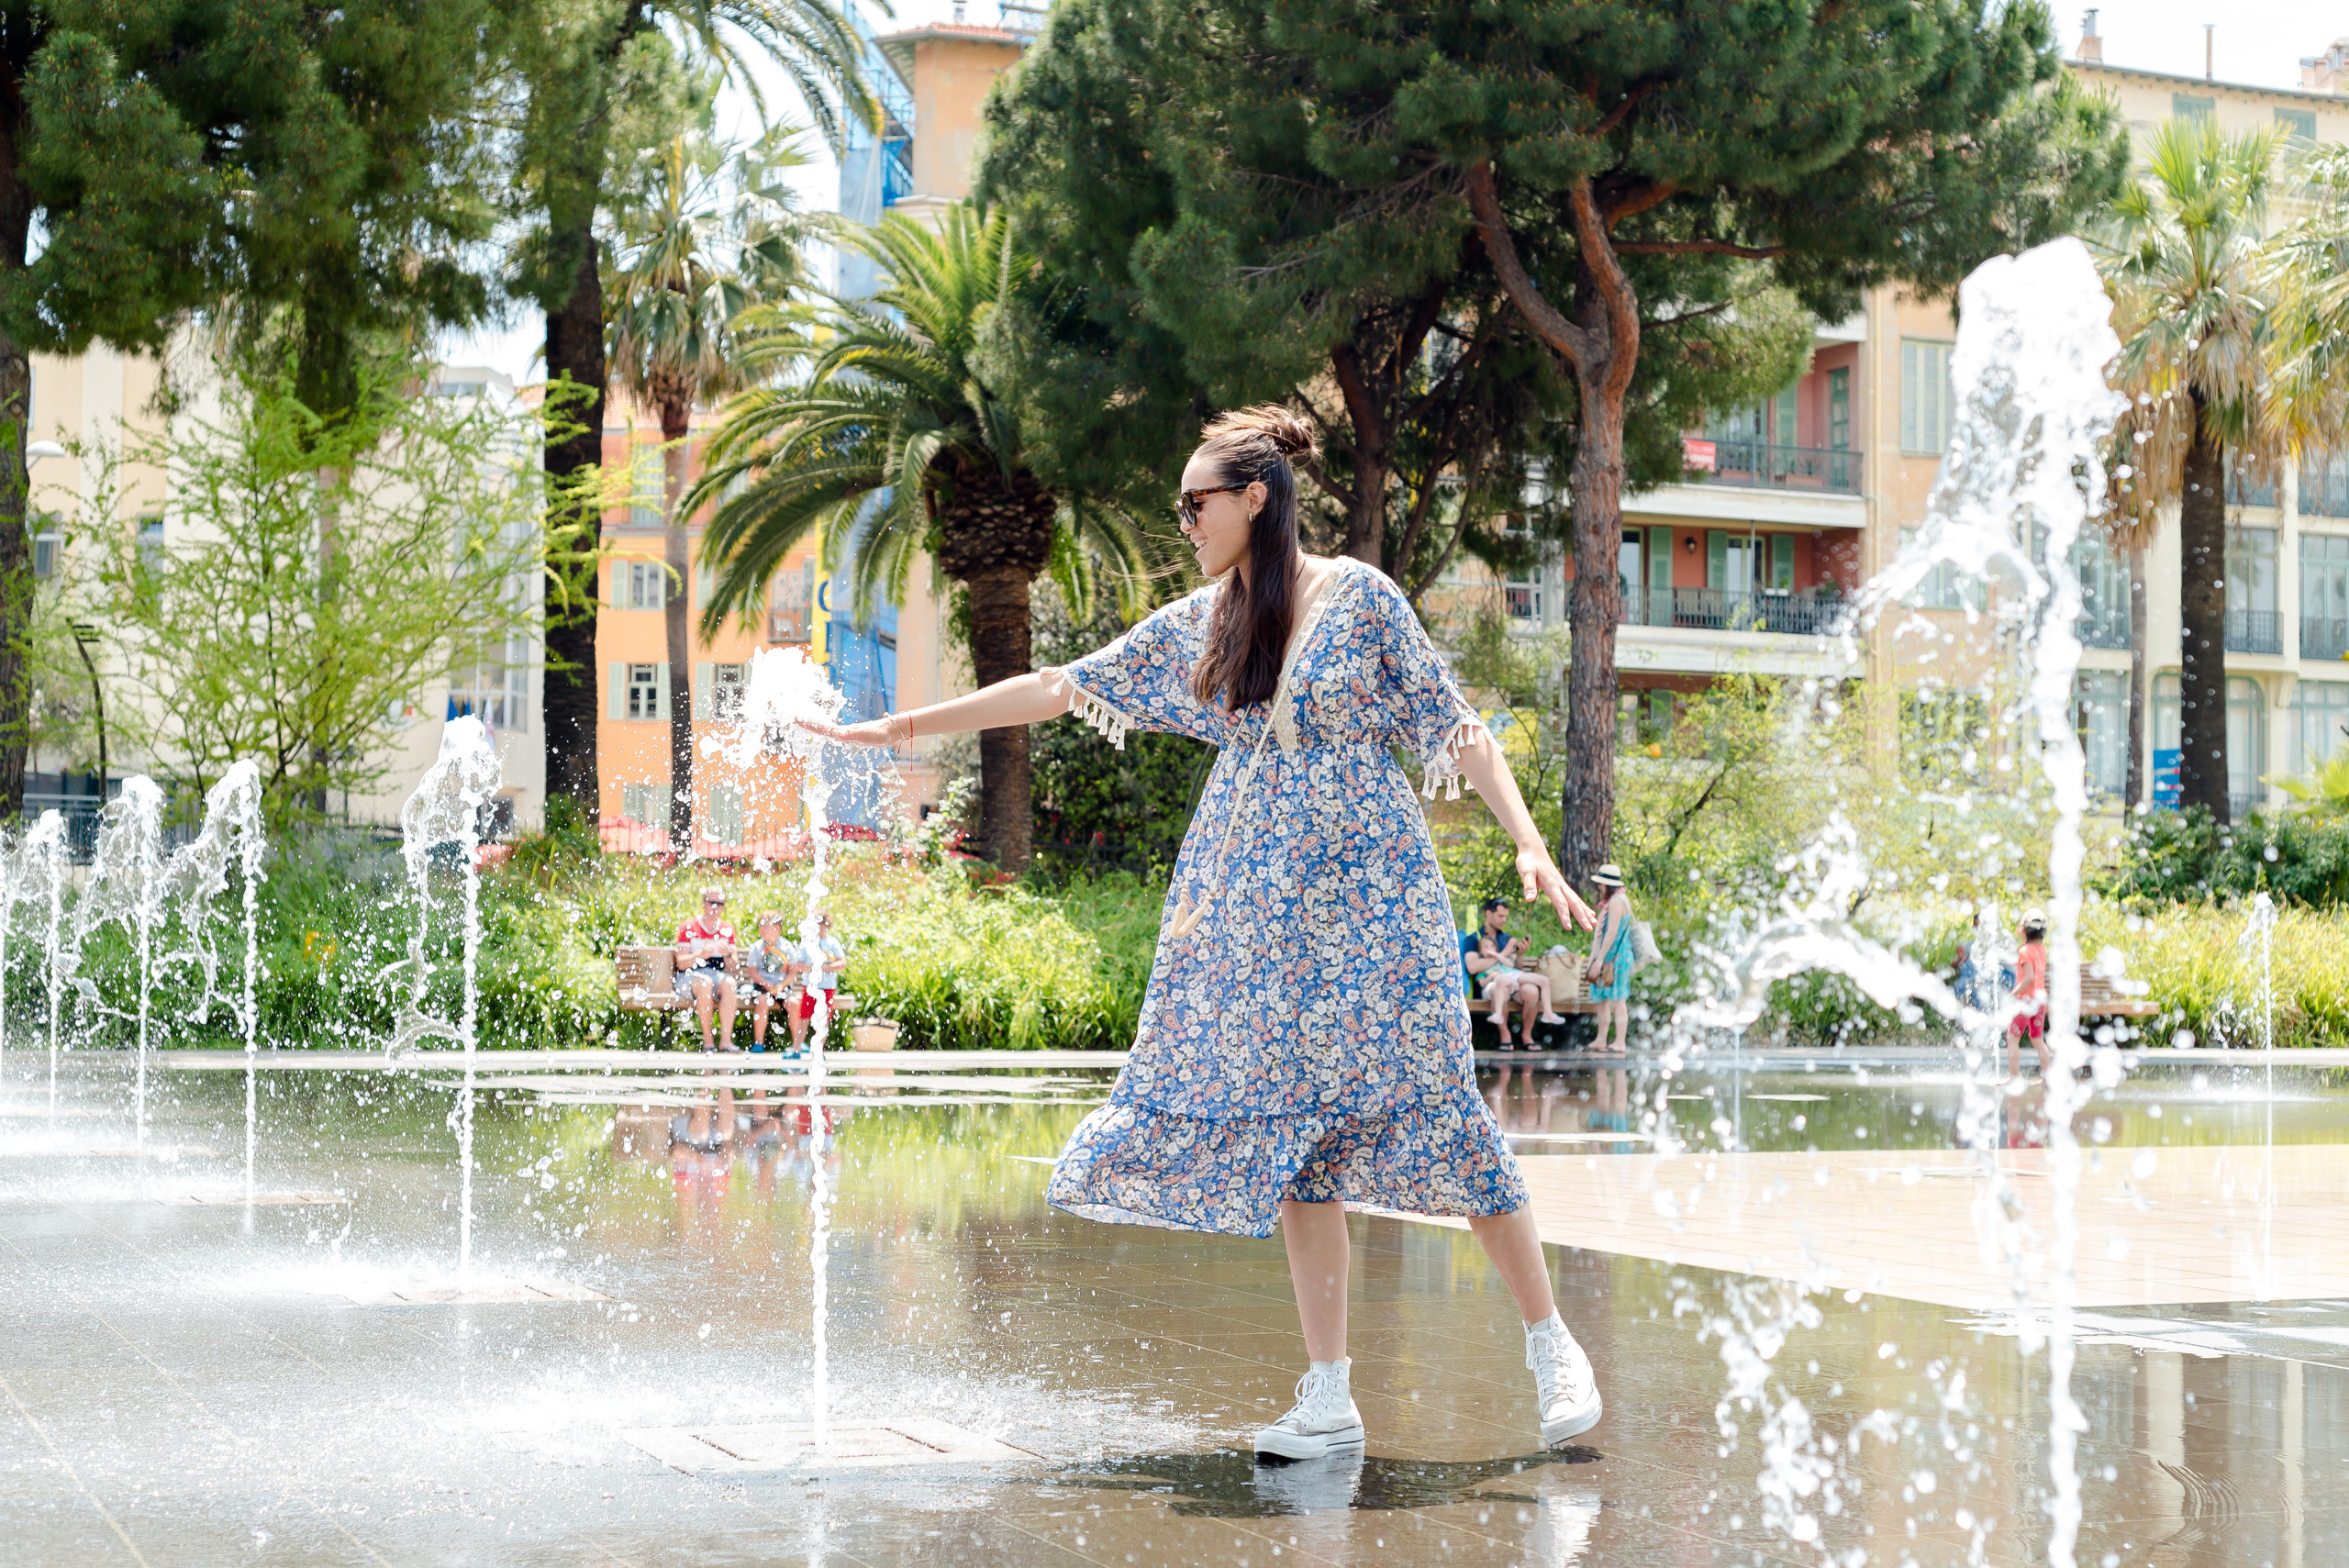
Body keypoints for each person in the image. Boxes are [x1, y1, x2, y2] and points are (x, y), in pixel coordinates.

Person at [803, 405, 1606, 1462]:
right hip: (1255, 907)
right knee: (1297, 1140)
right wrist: (896, 728)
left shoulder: (1360, 599)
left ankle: (1549, 1341)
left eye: (1197, 503)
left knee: (1441, 1101)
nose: (1183, 521)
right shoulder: (1204, 621)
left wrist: (1528, 844)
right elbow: (1061, 685)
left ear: (1254, 498)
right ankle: (1327, 1394)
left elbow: (1450, 722)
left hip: (1373, 892)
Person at [1462, 896, 1566, 1050]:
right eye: (1500, 916)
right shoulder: (1473, 939)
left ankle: (1526, 1036)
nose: (1504, 920)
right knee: (1501, 987)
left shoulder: (1506, 938)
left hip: (1511, 980)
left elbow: (1515, 967)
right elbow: (1473, 967)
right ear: (1488, 914)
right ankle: (1506, 1037)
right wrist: (1502, 954)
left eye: (1506, 916)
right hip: (1488, 984)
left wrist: (1521, 954)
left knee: (1531, 991)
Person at [674, 886, 739, 1051]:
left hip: (715, 976)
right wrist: (700, 955)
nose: (715, 907)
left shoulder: (727, 929)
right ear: (704, 904)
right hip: (688, 977)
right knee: (705, 983)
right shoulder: (689, 927)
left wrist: (728, 954)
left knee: (730, 984)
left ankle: (725, 1042)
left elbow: (734, 967)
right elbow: (681, 963)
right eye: (712, 902)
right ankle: (708, 1043)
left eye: (719, 903)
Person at [1585, 864, 1636, 1055]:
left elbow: (1612, 932)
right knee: (1602, 998)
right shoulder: (1616, 900)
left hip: (1616, 957)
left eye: (1601, 885)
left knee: (1617, 999)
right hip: (1610, 956)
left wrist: (1598, 960)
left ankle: (1620, 1041)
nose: (1599, 888)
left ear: (1608, 885)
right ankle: (1601, 1039)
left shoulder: (1616, 902)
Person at [743, 912, 804, 1053]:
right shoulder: (757, 947)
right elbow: (752, 971)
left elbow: (792, 971)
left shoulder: (787, 946)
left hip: (782, 986)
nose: (762, 929)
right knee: (762, 1001)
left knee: (794, 1004)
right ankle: (759, 1042)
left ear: (777, 928)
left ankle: (797, 1044)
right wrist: (765, 984)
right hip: (762, 986)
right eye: (760, 926)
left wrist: (782, 985)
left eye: (766, 926)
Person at [788, 910, 849, 1053]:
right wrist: (812, 968)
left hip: (827, 987)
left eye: (822, 926)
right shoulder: (807, 942)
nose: (819, 930)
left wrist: (825, 968)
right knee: (803, 1017)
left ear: (827, 927)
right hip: (810, 986)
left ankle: (818, 1051)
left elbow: (842, 963)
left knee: (823, 1019)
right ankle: (796, 1048)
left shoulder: (832, 943)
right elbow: (798, 964)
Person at [2007, 908, 2051, 1079]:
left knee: (2012, 1037)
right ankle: (2047, 1078)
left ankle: (2014, 1078)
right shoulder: (2041, 949)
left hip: (2027, 1001)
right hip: (2040, 1000)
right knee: (2037, 1039)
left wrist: (2013, 993)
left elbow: (2029, 977)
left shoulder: (2024, 951)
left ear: (2025, 930)